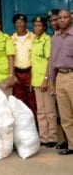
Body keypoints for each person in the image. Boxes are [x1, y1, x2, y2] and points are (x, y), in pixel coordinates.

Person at [49, 9, 73, 155]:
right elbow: (52, 62)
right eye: (60, 18)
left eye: (65, 17)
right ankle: (71, 145)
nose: (62, 20)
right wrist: (51, 81)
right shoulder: (55, 38)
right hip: (60, 78)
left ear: (70, 19)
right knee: (65, 117)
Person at [31, 16, 57, 148]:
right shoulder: (34, 40)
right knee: (40, 111)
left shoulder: (47, 40)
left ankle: (52, 137)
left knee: (50, 111)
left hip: (44, 80)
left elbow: (49, 61)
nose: (37, 28)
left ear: (44, 27)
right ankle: (43, 137)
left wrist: (46, 79)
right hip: (35, 80)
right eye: (35, 25)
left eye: (39, 25)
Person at [11, 14, 37, 118]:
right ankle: (22, 128)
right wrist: (12, 75)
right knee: (19, 102)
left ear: (26, 23)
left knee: (32, 101)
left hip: (30, 73)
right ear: (14, 24)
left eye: (22, 22)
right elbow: (10, 58)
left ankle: (35, 127)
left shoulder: (33, 37)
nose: (20, 24)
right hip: (17, 73)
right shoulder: (11, 39)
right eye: (17, 22)